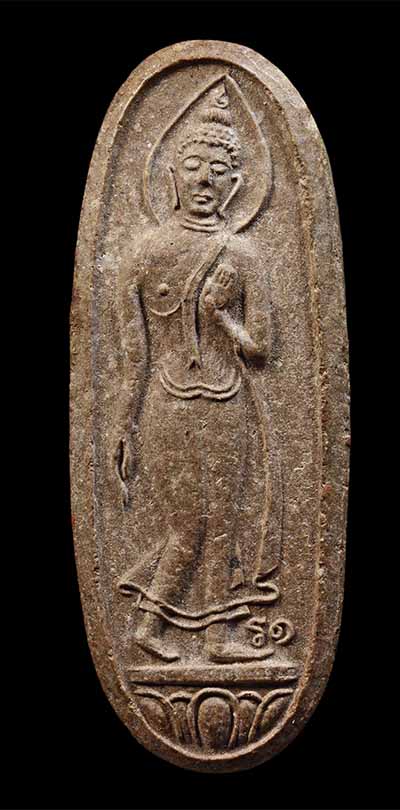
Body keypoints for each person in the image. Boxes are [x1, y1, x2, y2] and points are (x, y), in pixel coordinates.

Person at [114, 85, 279, 663]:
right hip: (165, 402)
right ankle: (148, 627)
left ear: (235, 184)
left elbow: (261, 350)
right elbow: (132, 357)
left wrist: (223, 317)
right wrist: (123, 426)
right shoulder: (144, 254)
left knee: (226, 520)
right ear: (171, 176)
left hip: (228, 398)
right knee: (187, 524)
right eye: (192, 166)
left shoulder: (245, 257)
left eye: (219, 171)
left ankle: (216, 639)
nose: (205, 180)